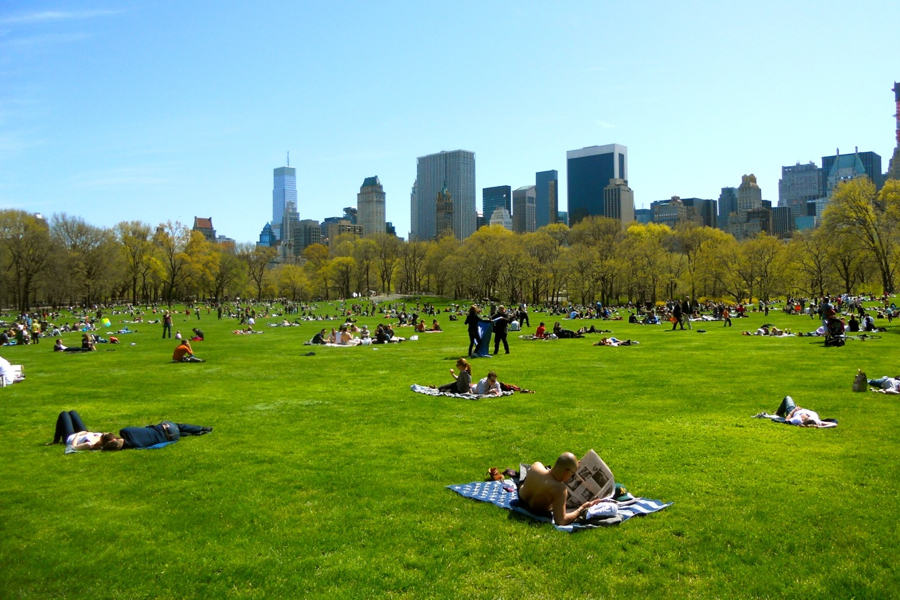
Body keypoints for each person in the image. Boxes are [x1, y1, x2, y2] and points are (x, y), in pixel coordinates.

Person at [517, 452, 602, 526]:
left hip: (522, 498)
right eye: (572, 474)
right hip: (537, 510)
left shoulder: (536, 465)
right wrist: (581, 508)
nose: (571, 477)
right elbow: (561, 520)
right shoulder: (560, 489)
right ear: (567, 472)